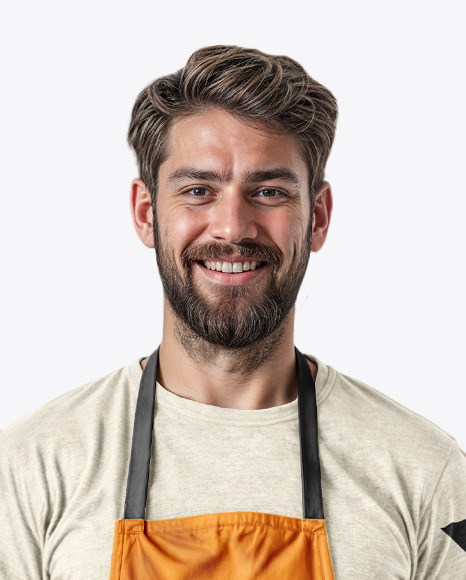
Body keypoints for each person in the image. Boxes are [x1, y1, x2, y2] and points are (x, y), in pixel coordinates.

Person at [1, 45, 465, 579]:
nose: (232, 227)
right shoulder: (30, 468)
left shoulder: (424, 472)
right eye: (198, 191)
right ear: (147, 214)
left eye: (268, 192)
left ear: (317, 217)